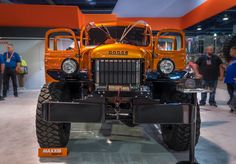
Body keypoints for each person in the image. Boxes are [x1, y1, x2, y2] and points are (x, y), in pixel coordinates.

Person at [224, 46, 236, 112]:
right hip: (229, 80)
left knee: (234, 94)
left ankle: (232, 104)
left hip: (234, 80)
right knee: (231, 93)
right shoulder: (232, 60)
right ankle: (232, 105)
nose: (230, 52)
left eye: (231, 51)